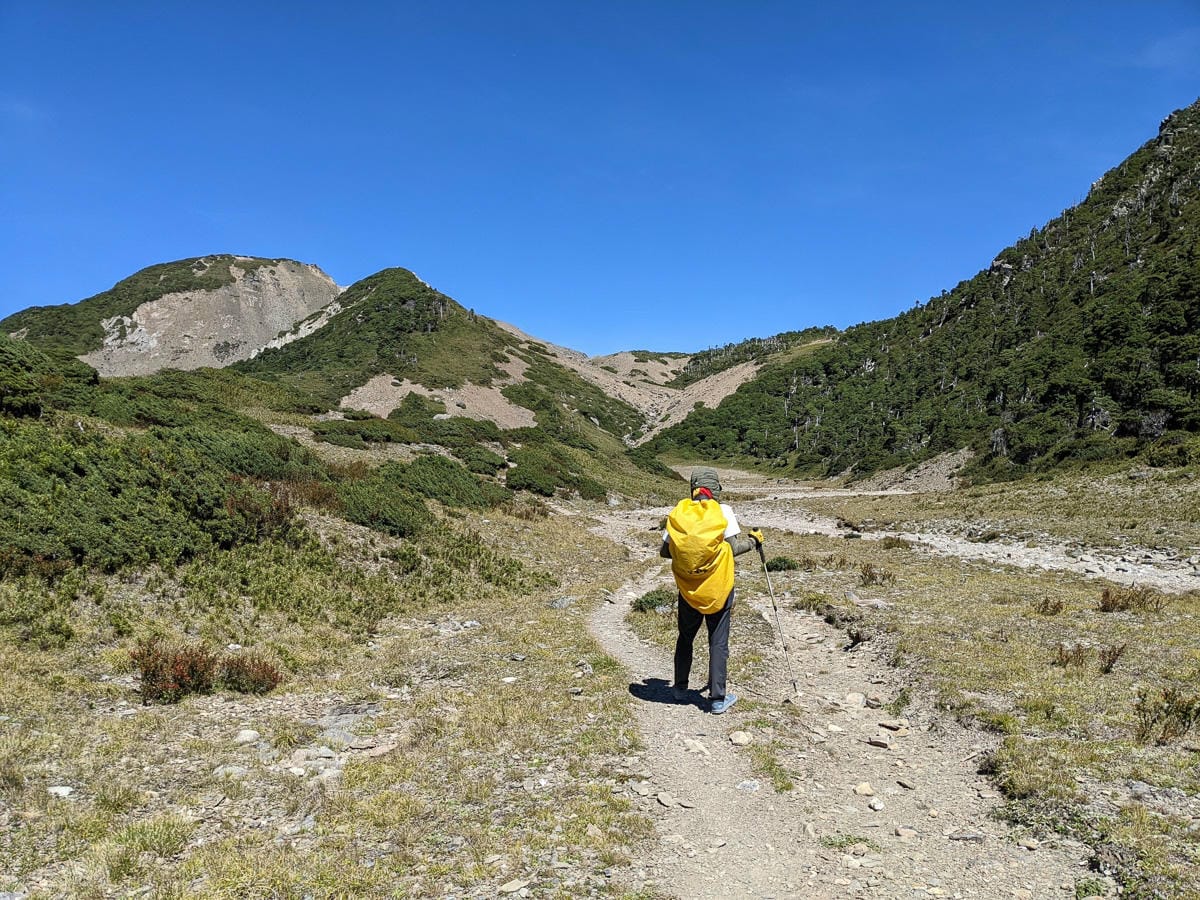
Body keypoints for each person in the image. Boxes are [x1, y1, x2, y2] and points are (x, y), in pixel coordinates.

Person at [659, 467, 762, 714]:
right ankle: (717, 699)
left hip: (689, 590)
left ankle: (680, 688)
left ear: (692, 487)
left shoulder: (680, 513)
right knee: (718, 642)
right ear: (715, 488)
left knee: (685, 637)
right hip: (718, 587)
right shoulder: (723, 511)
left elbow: (664, 551)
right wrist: (755, 541)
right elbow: (734, 547)